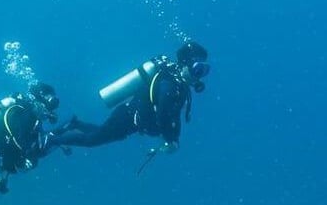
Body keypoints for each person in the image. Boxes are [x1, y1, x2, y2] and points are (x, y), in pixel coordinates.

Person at [47, 42, 210, 159]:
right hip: (126, 118)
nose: (200, 76)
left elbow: (173, 116)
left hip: (129, 119)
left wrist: (173, 139)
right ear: (185, 65)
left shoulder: (179, 86)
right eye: (198, 69)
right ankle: (52, 140)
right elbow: (163, 114)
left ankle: (75, 124)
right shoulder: (170, 84)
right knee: (92, 140)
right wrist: (170, 139)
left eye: (204, 71)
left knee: (100, 133)